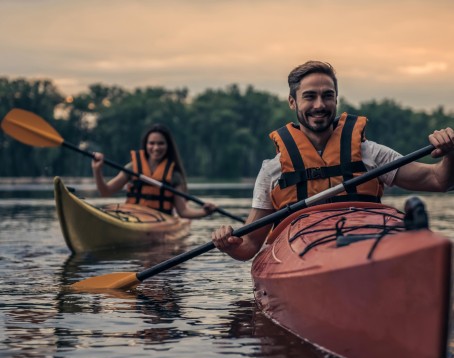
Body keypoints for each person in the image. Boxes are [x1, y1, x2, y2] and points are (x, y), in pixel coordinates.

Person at [212, 60, 454, 260]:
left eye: (328, 96)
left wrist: (451, 152)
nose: (320, 105)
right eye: (310, 97)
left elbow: (437, 180)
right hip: (301, 254)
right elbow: (250, 245)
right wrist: (229, 244)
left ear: (336, 100)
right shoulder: (272, 171)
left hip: (368, 241)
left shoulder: (371, 154)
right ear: (292, 102)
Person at [92, 123, 216, 219]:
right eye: (152, 143)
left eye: (160, 143)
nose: (156, 148)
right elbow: (105, 192)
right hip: (131, 217)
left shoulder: (174, 175)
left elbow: (183, 212)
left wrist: (205, 212)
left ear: (168, 146)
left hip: (159, 220)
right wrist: (97, 170)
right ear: (146, 145)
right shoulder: (132, 167)